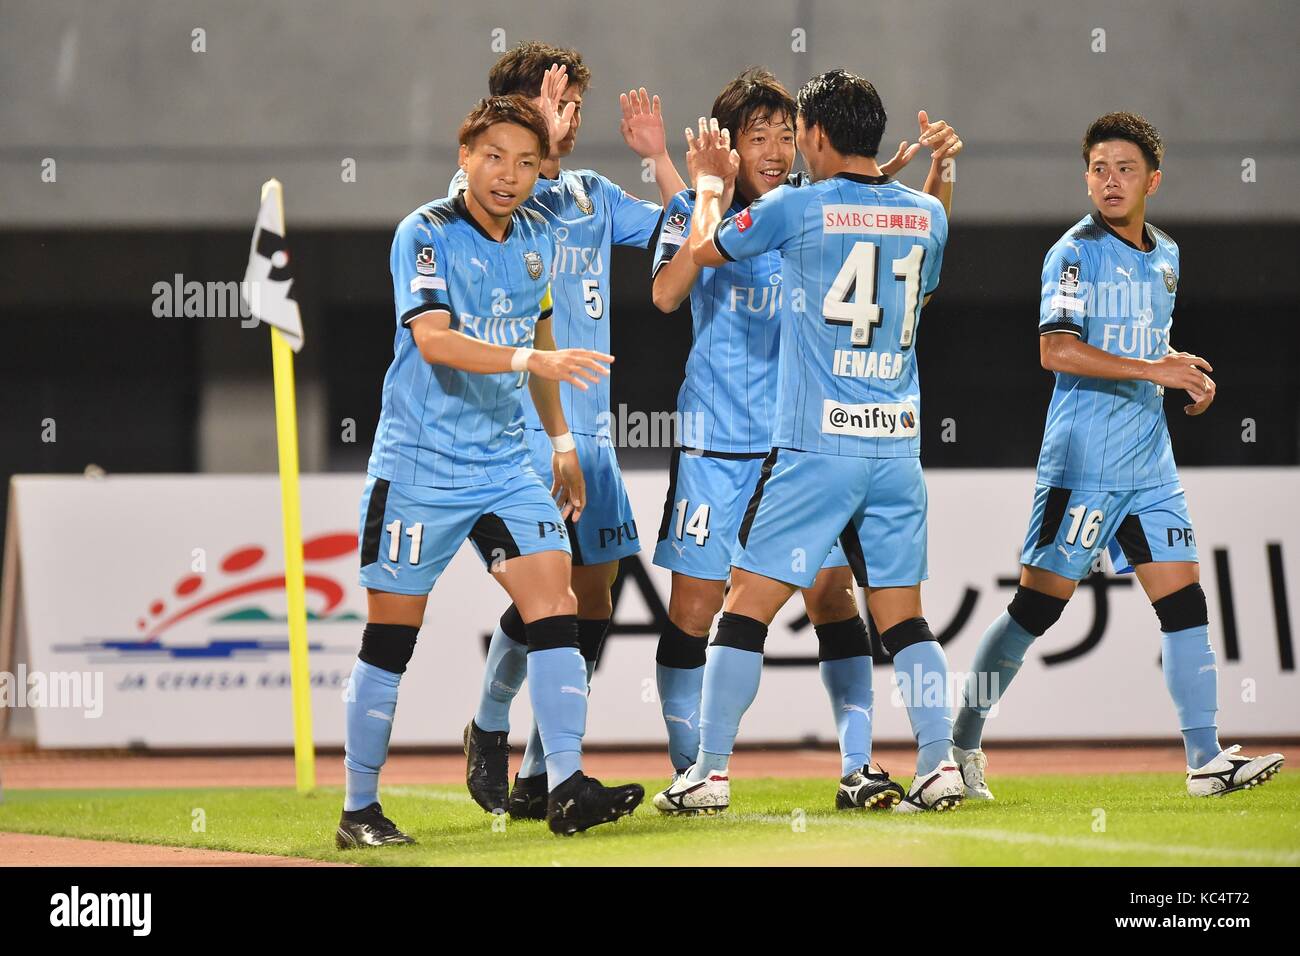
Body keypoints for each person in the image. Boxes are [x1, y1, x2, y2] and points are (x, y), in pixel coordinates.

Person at [649, 67, 961, 812]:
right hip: (897, 450)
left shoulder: (794, 205)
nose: (788, 148)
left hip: (816, 449)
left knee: (747, 607)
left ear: (814, 137)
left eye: (794, 135)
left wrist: (702, 184)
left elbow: (711, 248)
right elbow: (907, 257)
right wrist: (931, 176)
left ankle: (710, 774)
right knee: (903, 615)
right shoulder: (929, 215)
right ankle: (938, 763)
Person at [336, 92, 643, 846]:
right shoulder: (426, 234)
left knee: (556, 602)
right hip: (419, 465)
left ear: (542, 172)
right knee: (390, 641)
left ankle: (565, 783)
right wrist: (531, 356)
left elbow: (539, 332)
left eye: (526, 163)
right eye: (494, 157)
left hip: (505, 462)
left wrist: (562, 444)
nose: (508, 175)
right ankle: (359, 811)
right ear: (463, 157)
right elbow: (437, 342)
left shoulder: (538, 233)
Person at [950, 112, 1284, 800]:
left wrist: (1174, 366)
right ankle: (961, 742)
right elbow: (1057, 350)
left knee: (1186, 600)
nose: (1110, 180)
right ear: (1086, 177)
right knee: (1034, 612)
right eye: (1099, 168)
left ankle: (1204, 760)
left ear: (1152, 180)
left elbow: (1136, 348)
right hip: (1083, 459)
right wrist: (1155, 370)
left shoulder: (1167, 254)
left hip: (1149, 461)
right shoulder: (1072, 254)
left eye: (1125, 169)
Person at [454, 41, 688, 820]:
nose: (571, 121)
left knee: (589, 602)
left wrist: (660, 160)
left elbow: (689, 240)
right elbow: (485, 218)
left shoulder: (589, 193)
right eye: (557, 104)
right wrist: (539, 153)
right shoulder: (481, 193)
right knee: (545, 593)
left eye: (575, 106)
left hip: (590, 433)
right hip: (513, 432)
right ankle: (491, 729)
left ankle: (540, 773)